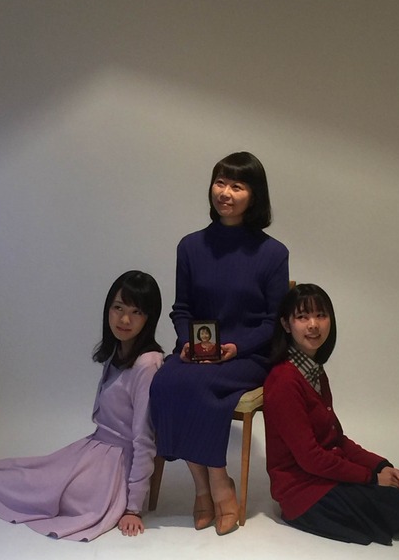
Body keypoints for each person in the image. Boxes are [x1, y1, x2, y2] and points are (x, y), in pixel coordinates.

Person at [150, 151, 289, 535]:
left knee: (197, 386)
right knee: (164, 381)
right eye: (220, 182)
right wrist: (186, 343)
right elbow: (182, 309)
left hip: (248, 355)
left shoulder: (273, 254)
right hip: (197, 353)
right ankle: (204, 485)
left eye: (237, 186)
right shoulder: (190, 246)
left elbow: (274, 322)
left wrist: (236, 348)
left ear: (254, 195)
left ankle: (219, 481)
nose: (225, 192)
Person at [0, 270, 164, 541]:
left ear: (149, 318)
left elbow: (145, 440)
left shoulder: (147, 364)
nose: (124, 319)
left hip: (113, 467)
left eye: (136, 312)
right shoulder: (118, 351)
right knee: (28, 473)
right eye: (118, 308)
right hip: (92, 450)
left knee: (44, 489)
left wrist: (133, 508)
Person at [263, 283, 399, 545]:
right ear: (286, 324)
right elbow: (310, 458)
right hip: (306, 494)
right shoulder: (284, 380)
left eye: (320, 315)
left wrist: (379, 465)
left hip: (326, 475)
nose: (313, 325)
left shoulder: (313, 371)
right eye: (302, 317)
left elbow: (336, 440)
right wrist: (371, 477)